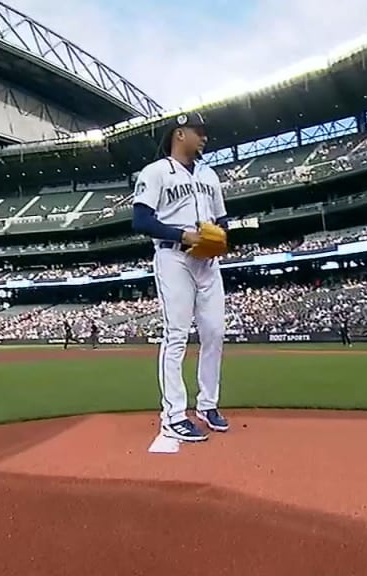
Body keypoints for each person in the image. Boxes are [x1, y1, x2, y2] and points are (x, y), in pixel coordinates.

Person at [130, 111, 229, 443]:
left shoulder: (210, 175)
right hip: (174, 256)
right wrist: (183, 235)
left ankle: (207, 405)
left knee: (214, 332)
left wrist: (220, 239)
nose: (205, 137)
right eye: (199, 131)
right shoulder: (155, 172)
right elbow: (141, 221)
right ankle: (173, 414)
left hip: (207, 261)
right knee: (176, 335)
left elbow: (222, 221)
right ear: (179, 133)